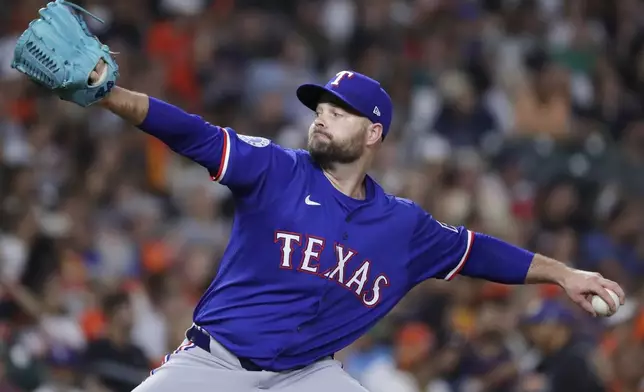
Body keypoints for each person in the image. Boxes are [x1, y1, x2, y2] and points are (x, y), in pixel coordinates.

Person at [11, 4, 626, 390]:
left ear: (375, 133)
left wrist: (564, 274)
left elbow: (481, 253)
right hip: (214, 365)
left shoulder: (404, 227)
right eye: (321, 108)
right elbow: (192, 134)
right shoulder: (275, 169)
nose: (323, 118)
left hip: (307, 376)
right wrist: (112, 95)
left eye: (341, 112)